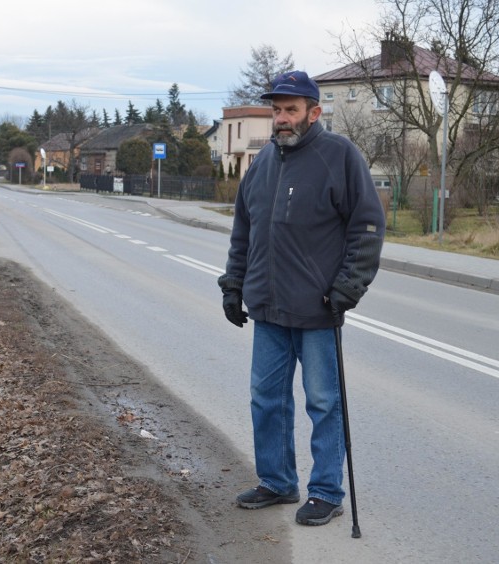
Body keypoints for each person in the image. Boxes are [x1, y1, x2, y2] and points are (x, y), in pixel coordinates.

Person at [217, 70, 385, 526]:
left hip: (318, 309)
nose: (281, 118)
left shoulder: (340, 156)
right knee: (265, 398)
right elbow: (243, 233)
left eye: (291, 110)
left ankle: (327, 492)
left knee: (323, 402)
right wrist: (234, 284)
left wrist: (348, 287)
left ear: (314, 112)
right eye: (276, 110)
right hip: (269, 308)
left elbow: (367, 227)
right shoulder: (262, 163)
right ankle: (277, 481)